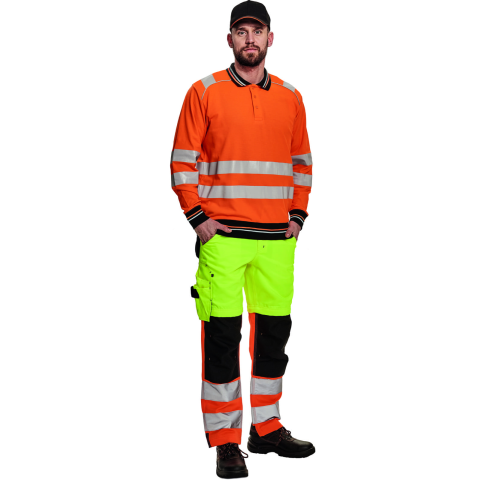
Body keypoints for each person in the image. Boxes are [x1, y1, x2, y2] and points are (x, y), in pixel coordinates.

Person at [170, 1, 314, 477]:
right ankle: (226, 441)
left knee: (273, 339)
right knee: (222, 340)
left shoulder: (291, 97)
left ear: (271, 38)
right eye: (241, 31)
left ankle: (266, 428)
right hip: (224, 238)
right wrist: (198, 219)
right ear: (229, 39)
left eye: (257, 30)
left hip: (277, 243)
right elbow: (182, 160)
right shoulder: (204, 91)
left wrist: (298, 217)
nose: (249, 38)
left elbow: (301, 162)